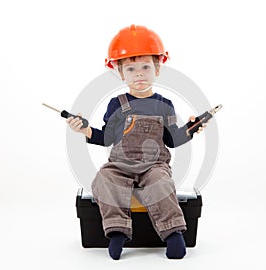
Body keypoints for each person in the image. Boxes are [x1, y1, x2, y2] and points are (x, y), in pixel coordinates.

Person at [67, 25, 206, 260]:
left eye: (145, 67)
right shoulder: (116, 104)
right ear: (120, 73)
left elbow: (171, 140)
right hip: (120, 164)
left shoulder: (165, 104)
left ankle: (173, 233)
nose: (139, 74)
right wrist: (86, 129)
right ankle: (117, 231)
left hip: (154, 166)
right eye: (131, 69)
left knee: (161, 183)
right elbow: (107, 138)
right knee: (104, 179)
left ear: (158, 68)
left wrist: (191, 130)